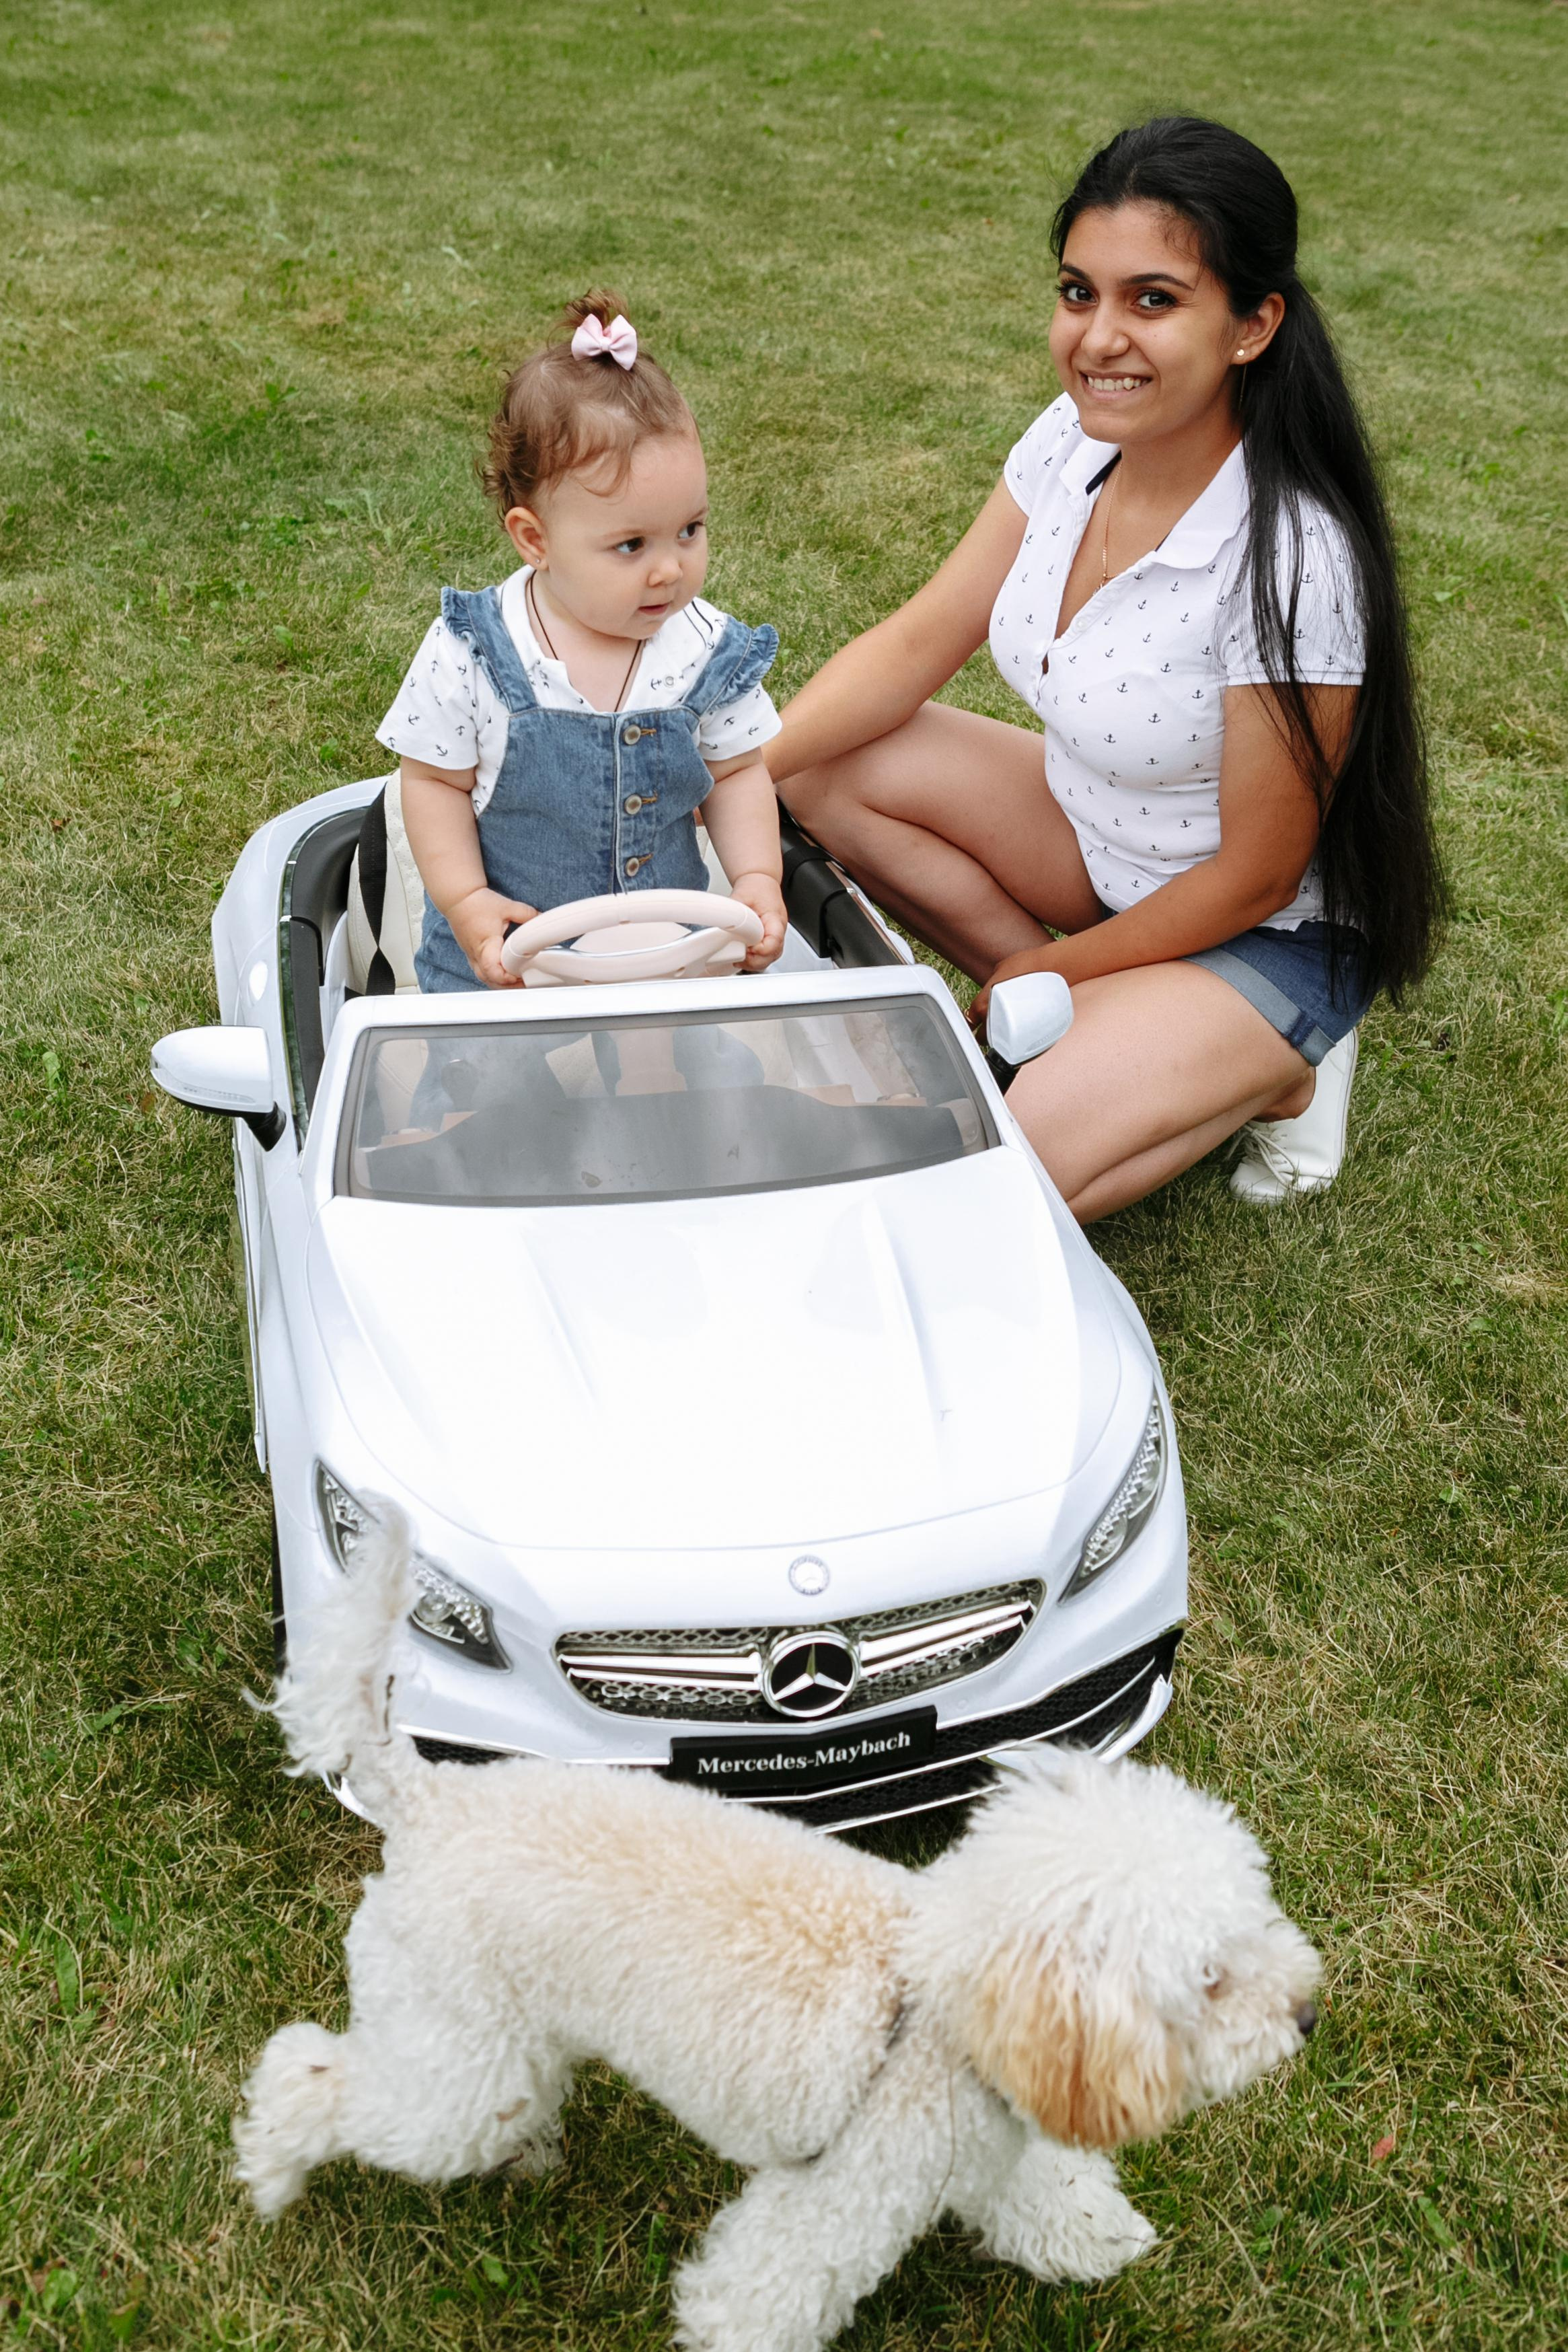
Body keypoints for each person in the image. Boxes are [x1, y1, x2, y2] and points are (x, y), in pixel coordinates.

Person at [767, 117, 1442, 1216]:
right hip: (1101, 844)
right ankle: (1090, 1028)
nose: (1097, 338)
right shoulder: (1073, 438)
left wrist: (1057, 969)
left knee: (989, 1183)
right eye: (1078, 293)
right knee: (815, 765)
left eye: (1152, 300)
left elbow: (1258, 877)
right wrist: (721, 778)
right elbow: (915, 641)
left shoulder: (1289, 558)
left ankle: (1277, 1068)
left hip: (1260, 932)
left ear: (1252, 325)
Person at [377, 292, 788, 992]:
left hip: (664, 955)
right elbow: (434, 783)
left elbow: (737, 772)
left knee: (679, 1054)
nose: (670, 569)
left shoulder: (705, 650)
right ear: (534, 539)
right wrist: (468, 901)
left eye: (690, 530)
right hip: (506, 958)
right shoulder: (473, 652)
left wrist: (755, 875)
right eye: (631, 544)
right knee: (480, 1060)